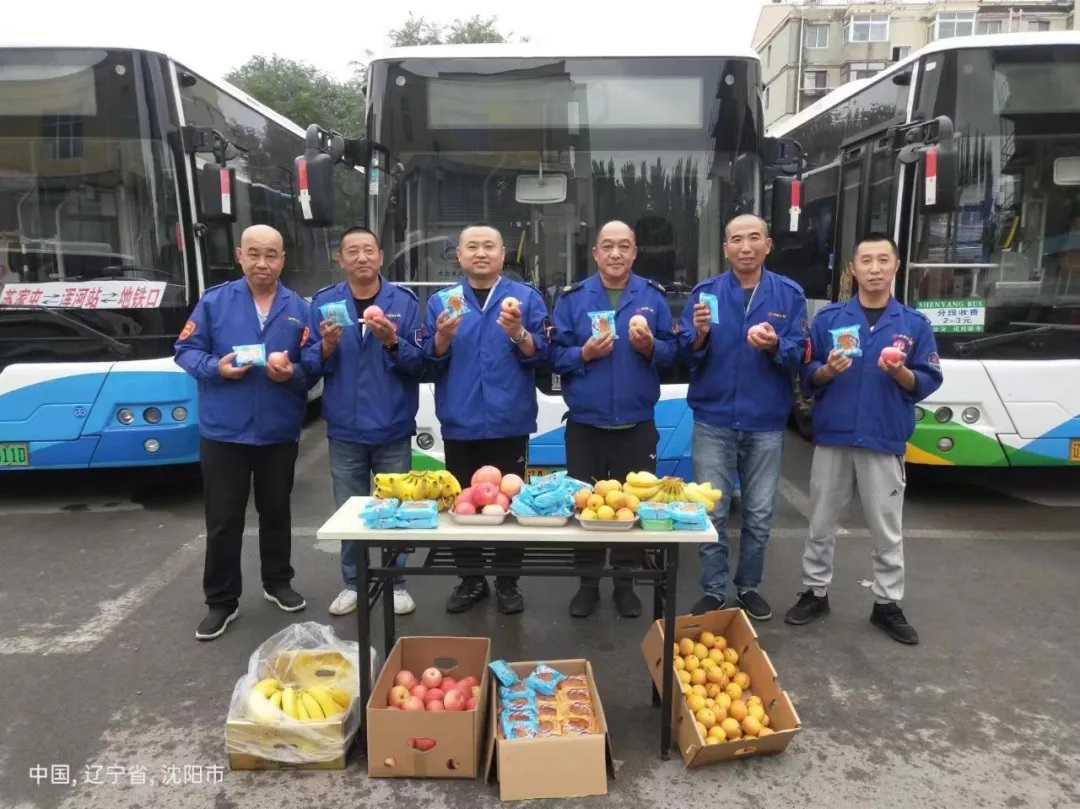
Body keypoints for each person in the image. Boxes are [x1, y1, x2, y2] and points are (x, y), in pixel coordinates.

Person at [785, 232, 943, 645]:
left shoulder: (913, 325)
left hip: (883, 438)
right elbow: (807, 374)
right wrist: (826, 372)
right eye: (866, 261)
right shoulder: (829, 320)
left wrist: (901, 373)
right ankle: (815, 592)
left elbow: (927, 379)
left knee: (886, 528)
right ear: (852, 269)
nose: (875, 269)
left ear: (896, 267)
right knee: (821, 521)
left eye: (883, 260)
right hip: (834, 437)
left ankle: (887, 603)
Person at [175, 224, 317, 641]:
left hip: (277, 430)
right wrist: (215, 368)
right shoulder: (214, 302)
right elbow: (186, 350)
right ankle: (221, 601)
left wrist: (292, 372)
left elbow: (313, 364)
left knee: (276, 512)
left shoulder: (299, 308)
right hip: (224, 432)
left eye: (271, 255)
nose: (262, 263)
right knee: (223, 519)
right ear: (240, 256)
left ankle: (278, 581)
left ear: (283, 260)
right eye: (254, 254)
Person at [679, 214, 808, 621]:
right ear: (726, 248)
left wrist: (774, 345)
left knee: (759, 513)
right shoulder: (705, 294)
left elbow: (801, 353)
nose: (746, 247)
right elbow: (684, 354)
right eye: (737, 239)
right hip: (713, 420)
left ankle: (749, 586)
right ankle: (714, 589)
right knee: (712, 511)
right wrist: (699, 335)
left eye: (754, 238)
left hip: (765, 422)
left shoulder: (789, 295)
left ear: (768, 245)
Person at [550, 220, 678, 619]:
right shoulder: (572, 299)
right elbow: (552, 356)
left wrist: (651, 347)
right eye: (608, 246)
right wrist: (584, 354)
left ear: (635, 252)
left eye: (624, 246)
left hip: (636, 426)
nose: (616, 253)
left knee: (630, 507)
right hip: (585, 426)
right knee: (584, 506)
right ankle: (587, 584)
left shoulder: (652, 297)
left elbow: (676, 354)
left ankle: (625, 584)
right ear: (596, 253)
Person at [424, 222, 551, 615]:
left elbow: (544, 355)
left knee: (510, 503)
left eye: (489, 246)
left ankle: (508, 581)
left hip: (509, 420)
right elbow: (426, 361)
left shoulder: (525, 299)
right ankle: (471, 580)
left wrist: (519, 333)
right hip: (460, 420)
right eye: (472, 247)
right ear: (458, 255)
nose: (481, 253)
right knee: (463, 505)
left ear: (503, 254)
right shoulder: (441, 302)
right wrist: (442, 338)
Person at [306, 226, 423, 619]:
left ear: (380, 256)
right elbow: (308, 365)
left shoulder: (403, 302)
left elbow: (420, 362)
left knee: (395, 511)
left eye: (369, 250)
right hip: (345, 428)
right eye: (352, 251)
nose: (362, 258)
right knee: (350, 512)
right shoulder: (324, 303)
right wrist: (326, 345)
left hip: (392, 425)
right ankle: (353, 583)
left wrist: (391, 340)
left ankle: (396, 582)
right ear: (340, 259)